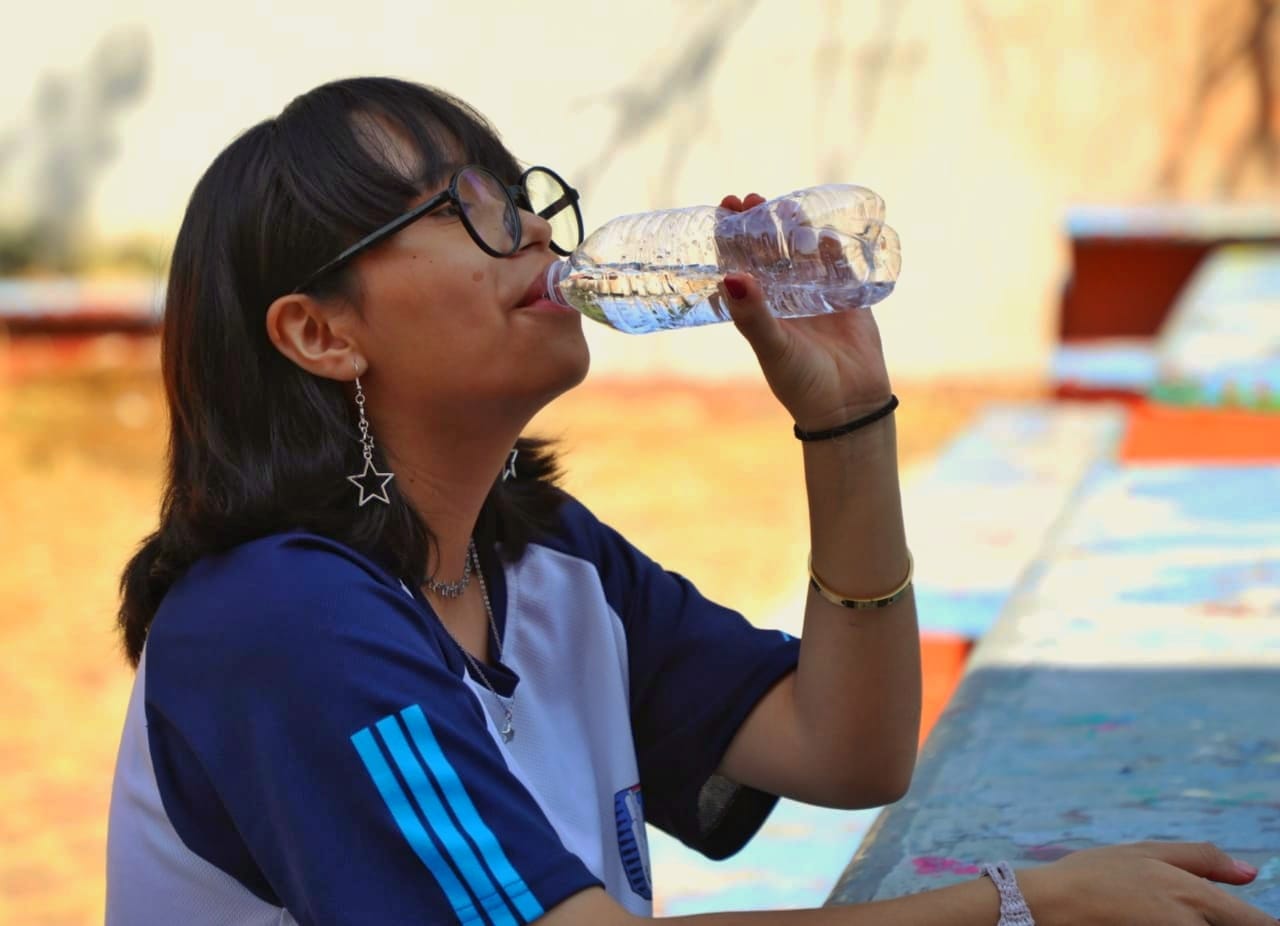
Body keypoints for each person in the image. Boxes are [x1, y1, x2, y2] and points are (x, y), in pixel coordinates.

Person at [104, 76, 1274, 926]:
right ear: (320, 334)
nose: (534, 231)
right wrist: (1023, 902)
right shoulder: (277, 621)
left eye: (521, 196)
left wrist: (845, 421)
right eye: (465, 208)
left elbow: (849, 746)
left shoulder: (542, 561)